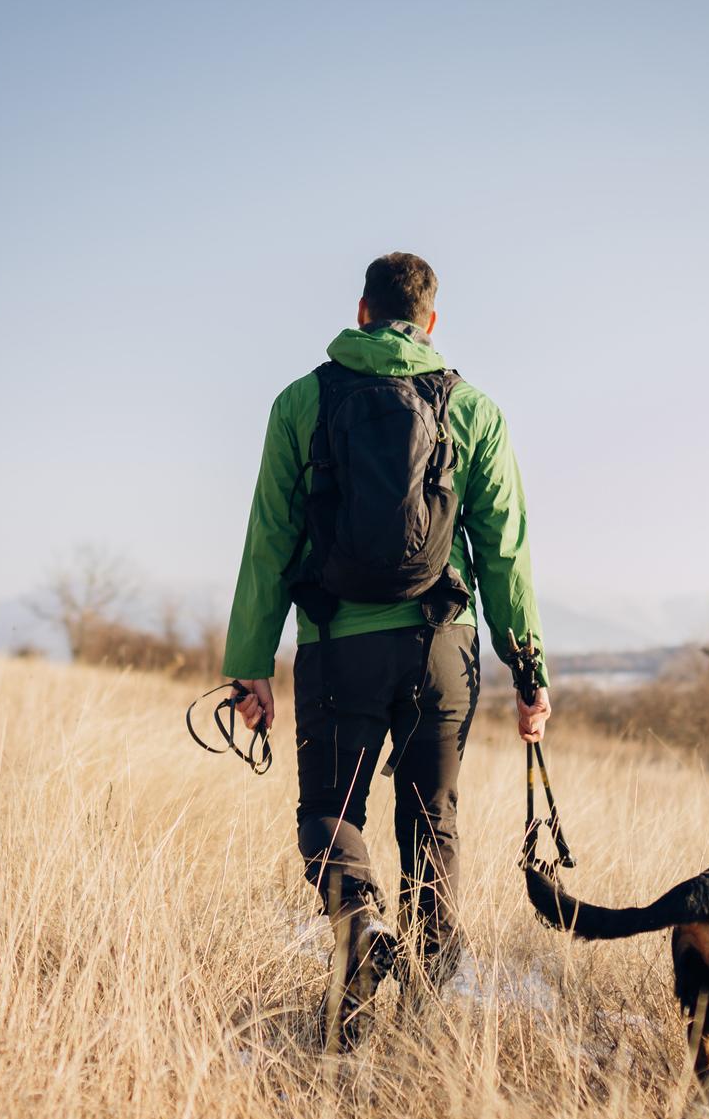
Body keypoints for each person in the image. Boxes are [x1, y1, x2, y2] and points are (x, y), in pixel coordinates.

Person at [222, 251, 551, 1047]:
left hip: (336, 643)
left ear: (360, 311)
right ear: (430, 322)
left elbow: (270, 539)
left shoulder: (301, 402)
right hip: (445, 647)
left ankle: (359, 928)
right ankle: (430, 1009)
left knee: (331, 815)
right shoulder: (472, 409)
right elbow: (503, 547)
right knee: (430, 818)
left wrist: (249, 666)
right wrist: (529, 669)